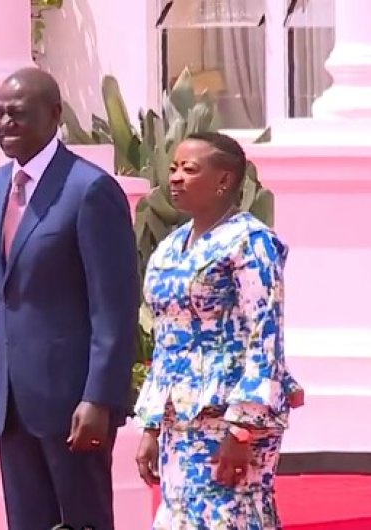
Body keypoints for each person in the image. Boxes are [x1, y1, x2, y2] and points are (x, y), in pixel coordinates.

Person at [0, 67, 139, 530]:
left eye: (18, 114)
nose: (5, 124)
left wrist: (99, 398)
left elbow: (114, 308)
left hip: (73, 406)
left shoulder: (89, 190)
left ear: (55, 115)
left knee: (82, 522)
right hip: (11, 406)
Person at [133, 131, 304, 529]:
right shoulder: (171, 246)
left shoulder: (251, 244)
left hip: (231, 421)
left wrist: (242, 428)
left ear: (224, 180)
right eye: (173, 168)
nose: (175, 177)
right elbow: (166, 339)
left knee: (230, 518)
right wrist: (151, 424)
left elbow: (265, 337)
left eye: (189, 170)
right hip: (179, 420)